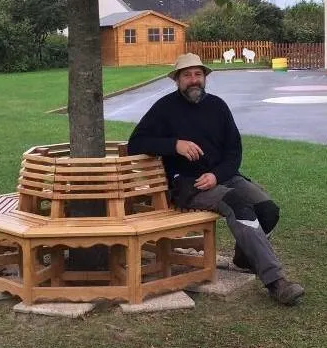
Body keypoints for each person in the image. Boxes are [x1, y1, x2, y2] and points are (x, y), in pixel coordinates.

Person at [127, 53, 305, 306]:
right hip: (188, 185)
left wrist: (217, 175)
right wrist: (174, 144)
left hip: (223, 176)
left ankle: (245, 257)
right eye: (187, 75)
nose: (193, 80)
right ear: (177, 80)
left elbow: (234, 152)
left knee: (267, 210)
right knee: (238, 204)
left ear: (205, 77)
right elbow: (136, 143)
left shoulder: (218, 106)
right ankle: (276, 282)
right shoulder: (164, 109)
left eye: (198, 74)